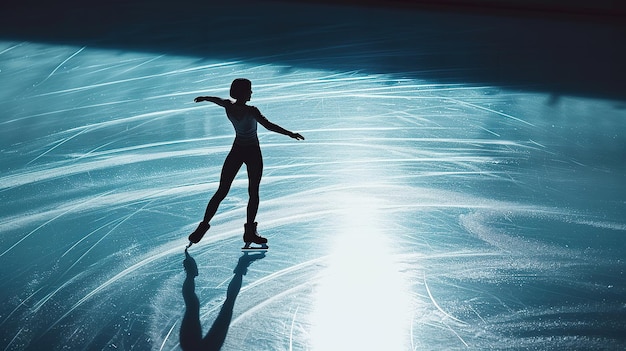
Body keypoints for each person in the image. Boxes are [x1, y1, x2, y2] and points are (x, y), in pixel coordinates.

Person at [187, 78, 304, 248]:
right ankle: (249, 230)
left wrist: (205, 97)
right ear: (243, 92)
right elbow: (269, 125)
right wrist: (290, 133)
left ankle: (203, 225)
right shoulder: (252, 110)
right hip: (252, 153)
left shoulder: (228, 105)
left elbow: (217, 100)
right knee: (253, 192)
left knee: (222, 190)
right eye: (250, 90)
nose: (252, 93)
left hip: (237, 151)